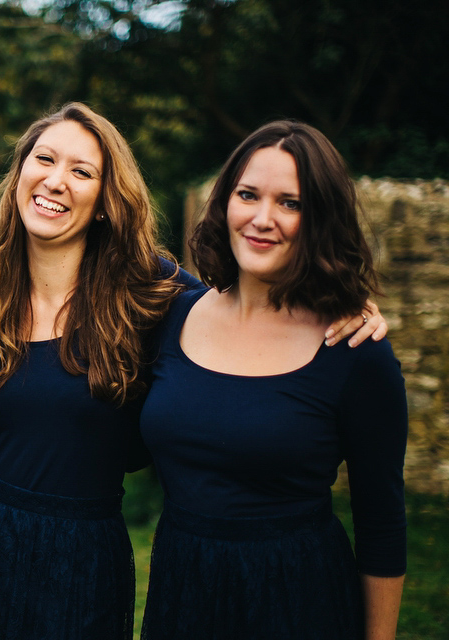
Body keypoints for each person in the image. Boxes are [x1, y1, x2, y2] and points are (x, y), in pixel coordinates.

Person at [0, 103, 387, 640]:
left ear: (105, 203)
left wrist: (340, 302)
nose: (56, 181)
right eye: (45, 159)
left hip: (80, 555)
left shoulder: (154, 292)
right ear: (20, 175)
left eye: (82, 172)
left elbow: (248, 311)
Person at [138, 120, 406, 639]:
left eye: (291, 203)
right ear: (225, 202)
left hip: (296, 600)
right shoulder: (171, 315)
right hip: (182, 594)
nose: (262, 219)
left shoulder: (354, 350)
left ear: (320, 219)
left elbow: (382, 525)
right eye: (248, 194)